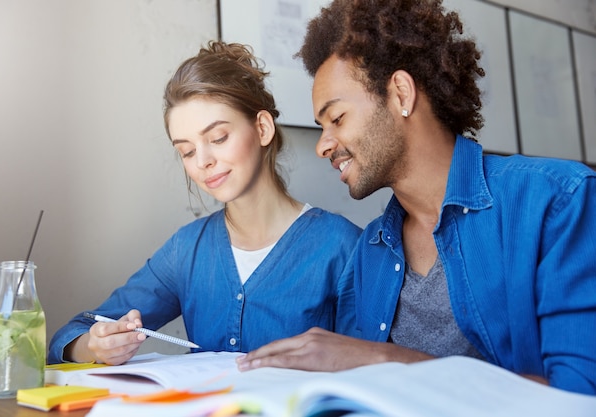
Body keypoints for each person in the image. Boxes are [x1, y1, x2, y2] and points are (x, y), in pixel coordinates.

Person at [236, 0, 596, 395]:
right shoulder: (370, 252)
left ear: (402, 93)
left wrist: (382, 358)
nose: (324, 145)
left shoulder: (558, 202)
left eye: (336, 118)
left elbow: (578, 396)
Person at [48, 41, 362, 366]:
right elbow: (76, 332)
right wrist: (93, 346)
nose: (203, 161)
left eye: (218, 138)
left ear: (262, 128)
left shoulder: (343, 247)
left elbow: (373, 373)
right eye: (186, 151)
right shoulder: (186, 250)